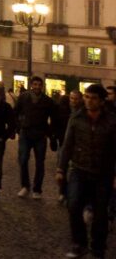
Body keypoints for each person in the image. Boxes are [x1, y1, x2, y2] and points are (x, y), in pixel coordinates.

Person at [57, 84, 116, 258]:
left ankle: (98, 248)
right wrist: (61, 168)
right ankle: (79, 243)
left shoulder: (112, 121)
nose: (89, 101)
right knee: (73, 205)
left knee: (100, 213)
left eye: (93, 98)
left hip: (103, 172)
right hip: (79, 170)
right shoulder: (76, 118)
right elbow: (67, 145)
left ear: (102, 101)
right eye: (87, 97)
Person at [14, 75, 55, 199]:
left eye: (39, 85)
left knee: (40, 163)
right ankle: (25, 186)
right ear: (31, 85)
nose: (37, 87)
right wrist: (18, 127)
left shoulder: (47, 101)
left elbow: (53, 118)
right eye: (35, 84)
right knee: (23, 159)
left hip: (40, 134)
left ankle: (37, 189)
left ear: (42, 86)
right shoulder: (23, 97)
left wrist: (51, 134)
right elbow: (15, 112)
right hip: (26, 132)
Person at [56, 90, 84, 204]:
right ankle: (63, 192)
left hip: (79, 146)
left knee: (75, 171)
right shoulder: (64, 109)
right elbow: (57, 123)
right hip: (64, 142)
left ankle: (73, 195)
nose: (73, 101)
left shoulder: (83, 112)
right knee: (62, 167)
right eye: (72, 98)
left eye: (76, 98)